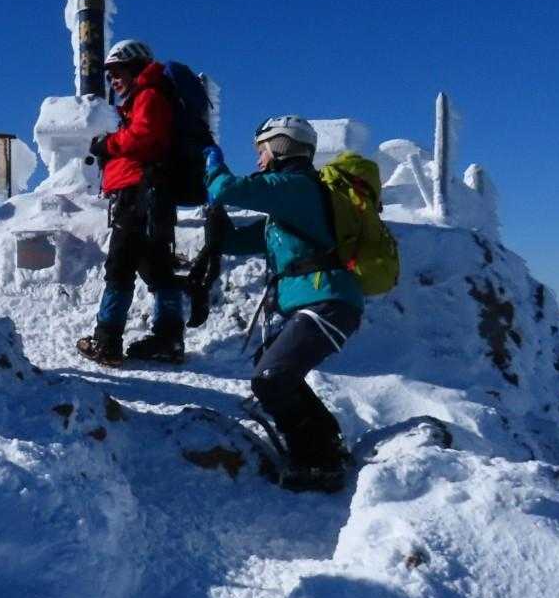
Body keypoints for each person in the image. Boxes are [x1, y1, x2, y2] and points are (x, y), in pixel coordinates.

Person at [204, 117, 361, 492]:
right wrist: (217, 223)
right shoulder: (289, 207)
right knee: (271, 368)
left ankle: (319, 464)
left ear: (282, 146)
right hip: (319, 302)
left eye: (261, 150)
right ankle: (327, 444)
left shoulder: (297, 186)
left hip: (328, 301)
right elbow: (236, 242)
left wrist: (212, 165)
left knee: (272, 379)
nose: (258, 159)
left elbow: (227, 187)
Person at [76, 39, 187, 366]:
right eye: (109, 75)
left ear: (137, 67)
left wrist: (108, 145)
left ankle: (107, 341)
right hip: (151, 194)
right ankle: (168, 339)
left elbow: (144, 136)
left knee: (120, 266)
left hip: (139, 194)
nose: (113, 80)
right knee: (156, 266)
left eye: (118, 72)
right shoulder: (152, 95)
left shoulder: (149, 95)